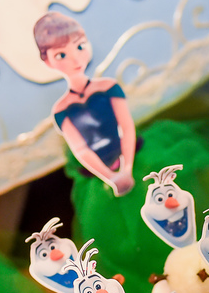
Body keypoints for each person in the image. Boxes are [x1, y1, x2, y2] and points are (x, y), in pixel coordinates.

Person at [35, 12, 136, 196]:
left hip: (130, 156)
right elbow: (80, 149)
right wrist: (111, 178)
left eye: (80, 46)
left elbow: (127, 127)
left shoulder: (109, 87)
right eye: (61, 55)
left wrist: (127, 170)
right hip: (97, 171)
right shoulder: (60, 110)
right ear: (47, 61)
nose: (75, 59)